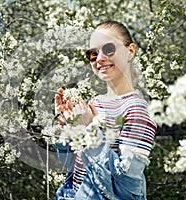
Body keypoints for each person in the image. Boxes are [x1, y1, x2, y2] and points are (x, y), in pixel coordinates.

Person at [53, 20, 157, 200]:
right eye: (93, 54)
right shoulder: (96, 102)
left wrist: (90, 131)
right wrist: (67, 125)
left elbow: (127, 186)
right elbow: (72, 165)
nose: (99, 58)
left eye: (109, 49)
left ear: (130, 51)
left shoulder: (138, 109)